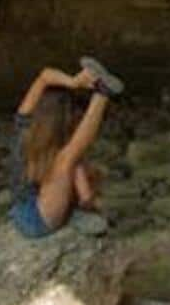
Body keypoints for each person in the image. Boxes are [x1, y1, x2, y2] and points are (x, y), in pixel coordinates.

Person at [8, 56, 125, 238]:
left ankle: (81, 208)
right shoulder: (61, 156)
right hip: (35, 221)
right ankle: (103, 93)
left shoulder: (24, 123)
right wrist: (100, 95)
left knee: (71, 161)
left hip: (20, 209)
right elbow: (80, 143)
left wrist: (74, 81)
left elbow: (44, 76)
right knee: (68, 159)